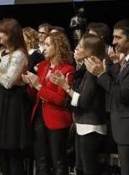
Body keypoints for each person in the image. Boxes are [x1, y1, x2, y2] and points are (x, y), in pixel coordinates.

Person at [84, 19, 129, 175]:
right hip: (126, 130)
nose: (114, 42)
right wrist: (108, 67)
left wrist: (101, 74)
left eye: (118, 37)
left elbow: (122, 94)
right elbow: (119, 81)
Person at [51, 33, 108, 175]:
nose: (76, 48)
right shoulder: (84, 70)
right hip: (82, 125)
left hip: (91, 127)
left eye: (80, 46)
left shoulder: (92, 71)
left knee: (89, 169)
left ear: (90, 51)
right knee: (80, 168)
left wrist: (66, 87)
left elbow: (84, 101)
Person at [0, 18, 31, 175]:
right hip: (0, 102)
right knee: (0, 149)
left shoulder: (19, 55)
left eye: (2, 32)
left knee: (12, 150)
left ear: (11, 34)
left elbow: (8, 82)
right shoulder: (2, 52)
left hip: (13, 105)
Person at [23, 32, 74, 175]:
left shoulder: (67, 69)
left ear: (57, 47)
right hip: (39, 116)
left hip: (56, 118)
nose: (43, 48)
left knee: (58, 160)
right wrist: (30, 84)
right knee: (40, 159)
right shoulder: (42, 66)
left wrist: (39, 86)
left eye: (47, 44)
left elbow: (60, 100)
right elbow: (35, 94)